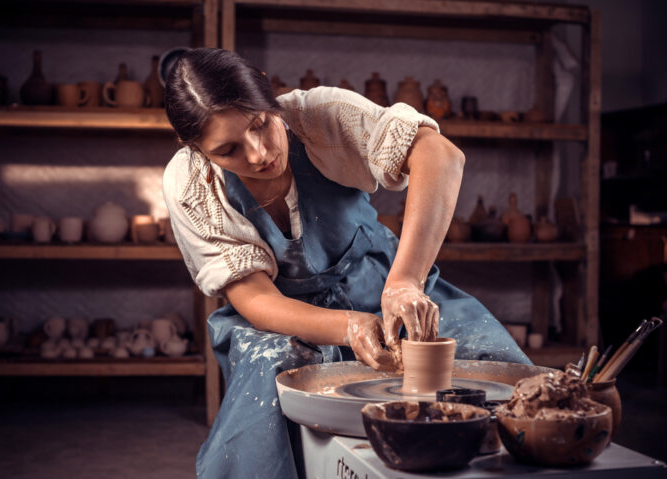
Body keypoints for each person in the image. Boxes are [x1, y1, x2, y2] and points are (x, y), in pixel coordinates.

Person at [162, 48, 530, 478]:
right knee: (269, 385)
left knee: (504, 380)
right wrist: (348, 326)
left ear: (265, 88)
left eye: (261, 123)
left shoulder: (319, 114)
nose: (260, 153)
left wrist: (405, 282)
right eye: (229, 150)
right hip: (283, 315)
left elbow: (441, 155)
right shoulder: (190, 182)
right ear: (194, 147)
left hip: (381, 280)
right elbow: (253, 295)